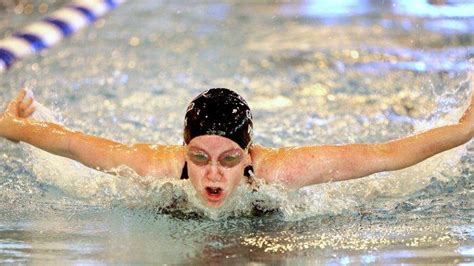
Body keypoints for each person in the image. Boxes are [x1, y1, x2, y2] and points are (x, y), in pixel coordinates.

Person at [0, 86, 473, 209]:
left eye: (229, 160)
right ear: (183, 149)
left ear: (249, 154)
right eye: (199, 158)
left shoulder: (281, 172)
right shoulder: (155, 166)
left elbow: (388, 155)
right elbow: (76, 146)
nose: (212, 175)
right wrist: (14, 126)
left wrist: (467, 129)